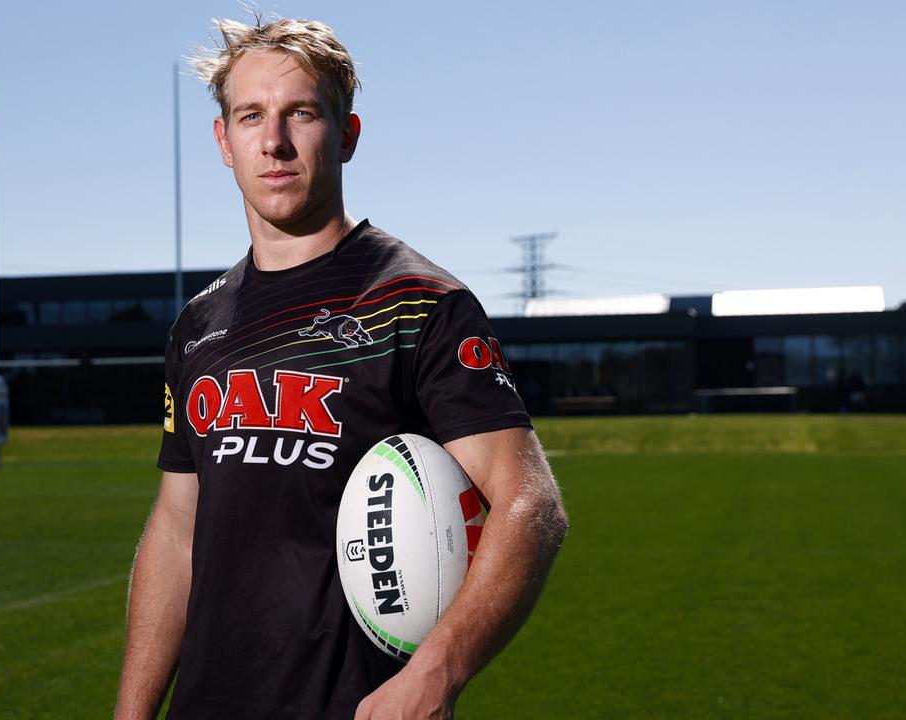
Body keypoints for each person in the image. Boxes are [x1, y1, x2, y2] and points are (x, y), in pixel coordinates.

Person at [115, 16, 568, 720]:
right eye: (250, 116)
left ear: (347, 133)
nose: (274, 141)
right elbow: (177, 531)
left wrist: (438, 673)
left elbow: (529, 504)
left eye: (301, 113)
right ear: (223, 142)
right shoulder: (198, 327)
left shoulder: (417, 302)